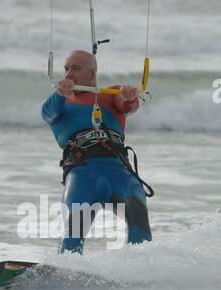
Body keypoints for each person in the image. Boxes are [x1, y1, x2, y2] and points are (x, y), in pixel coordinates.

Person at [42, 50, 152, 255]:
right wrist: (60, 93)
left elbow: (128, 104)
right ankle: (66, 269)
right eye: (66, 68)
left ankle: (139, 268)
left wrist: (129, 95)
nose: (68, 74)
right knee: (73, 231)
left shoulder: (110, 95)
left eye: (75, 68)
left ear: (91, 75)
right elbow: (47, 113)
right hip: (81, 174)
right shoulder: (58, 102)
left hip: (118, 172)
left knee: (138, 215)